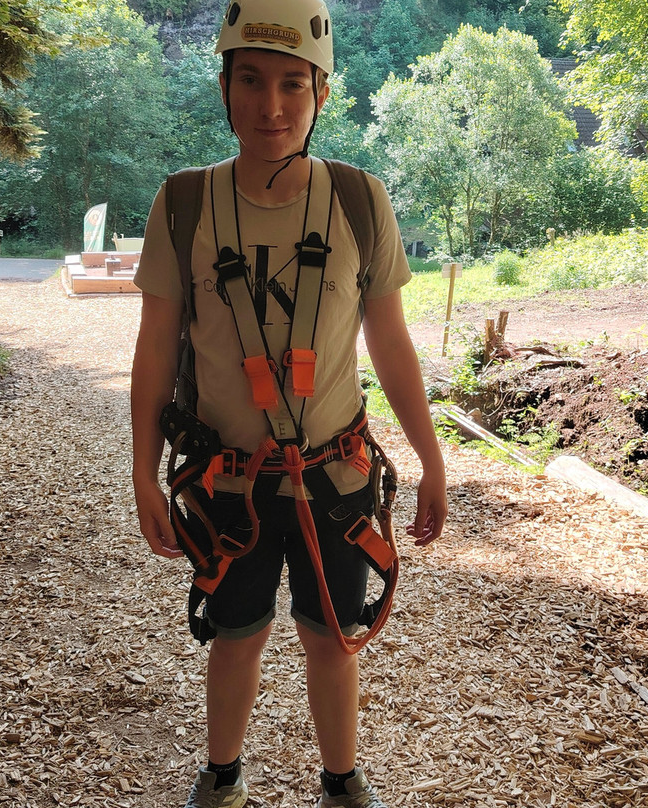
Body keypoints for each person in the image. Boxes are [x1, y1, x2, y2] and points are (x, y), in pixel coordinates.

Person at [130, 1, 447, 805]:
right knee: (234, 638)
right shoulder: (183, 203)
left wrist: (433, 458)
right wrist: (140, 473)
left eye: (292, 86)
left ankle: (342, 783)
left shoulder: (360, 201)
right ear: (226, 86)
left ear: (321, 95)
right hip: (225, 481)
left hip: (331, 480)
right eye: (251, 81)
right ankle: (223, 778)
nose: (271, 106)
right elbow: (155, 348)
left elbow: (392, 344)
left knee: (334, 640)